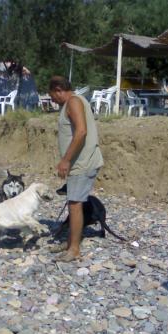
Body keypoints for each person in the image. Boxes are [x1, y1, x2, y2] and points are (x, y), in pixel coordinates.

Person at [48, 76, 103, 262]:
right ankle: (72, 240)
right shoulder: (72, 102)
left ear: (58, 89)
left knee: (75, 203)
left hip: (82, 162)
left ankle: (74, 249)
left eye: (52, 97)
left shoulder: (73, 102)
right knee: (74, 203)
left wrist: (66, 160)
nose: (53, 101)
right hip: (78, 163)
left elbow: (81, 132)